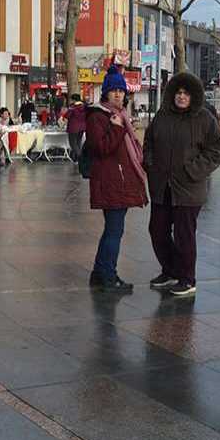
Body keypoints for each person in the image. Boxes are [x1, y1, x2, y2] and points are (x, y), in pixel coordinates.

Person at [143, 73, 220, 296]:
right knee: (157, 230)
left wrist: (193, 170)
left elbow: (215, 151)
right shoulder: (162, 116)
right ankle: (170, 271)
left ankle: (187, 278)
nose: (181, 96)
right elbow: (149, 142)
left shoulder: (204, 119)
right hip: (162, 186)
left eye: (186, 93)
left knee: (184, 235)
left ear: (193, 96)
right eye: (178, 92)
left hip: (189, 188)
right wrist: (150, 164)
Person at [85, 66, 148, 292]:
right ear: (105, 93)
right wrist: (117, 128)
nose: (118, 95)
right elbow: (102, 148)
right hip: (110, 182)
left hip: (117, 181)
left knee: (112, 230)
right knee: (114, 231)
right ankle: (109, 277)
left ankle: (99, 273)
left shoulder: (118, 115)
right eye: (113, 91)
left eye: (121, 91)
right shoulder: (99, 117)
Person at [65, 94, 87, 161]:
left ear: (73, 99)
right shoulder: (84, 106)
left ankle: (81, 158)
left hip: (73, 128)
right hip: (82, 127)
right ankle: (76, 159)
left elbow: (67, 115)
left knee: (73, 144)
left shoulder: (73, 107)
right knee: (78, 143)